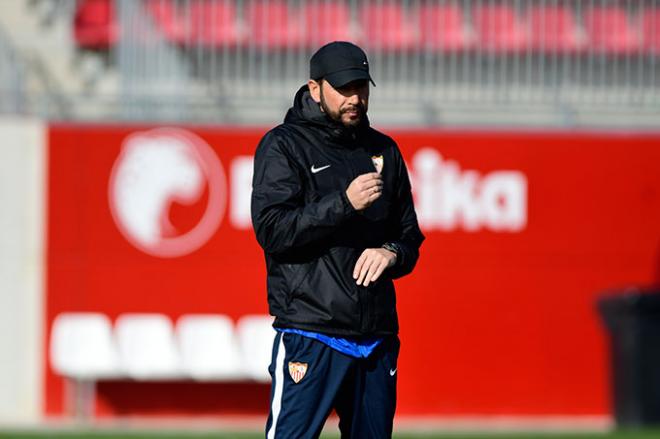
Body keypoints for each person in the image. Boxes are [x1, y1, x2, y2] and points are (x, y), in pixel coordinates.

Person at [251, 41, 424, 439]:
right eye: (344, 88)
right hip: (311, 331)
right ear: (315, 89)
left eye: (361, 87)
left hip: (376, 337)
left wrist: (392, 252)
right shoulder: (284, 145)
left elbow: (409, 235)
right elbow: (273, 231)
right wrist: (344, 203)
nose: (355, 98)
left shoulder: (384, 150)